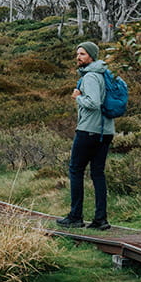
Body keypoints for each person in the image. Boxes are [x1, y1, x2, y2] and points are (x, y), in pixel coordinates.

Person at [56, 41, 114, 230]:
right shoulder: (104, 74)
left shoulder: (90, 76)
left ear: (91, 56)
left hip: (89, 130)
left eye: (82, 54)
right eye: (77, 54)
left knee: (75, 170)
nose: (78, 57)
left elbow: (94, 102)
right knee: (97, 173)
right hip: (106, 131)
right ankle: (100, 220)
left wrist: (77, 97)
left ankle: (75, 217)